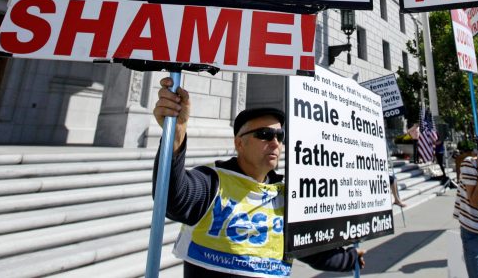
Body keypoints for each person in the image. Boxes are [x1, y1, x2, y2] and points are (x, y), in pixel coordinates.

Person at [152, 76, 365, 276]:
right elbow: (172, 199)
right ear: (239, 143)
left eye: (280, 136)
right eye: (264, 135)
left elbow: (312, 248)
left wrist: (350, 259)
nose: (275, 143)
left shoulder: (288, 195)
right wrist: (176, 136)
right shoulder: (213, 181)